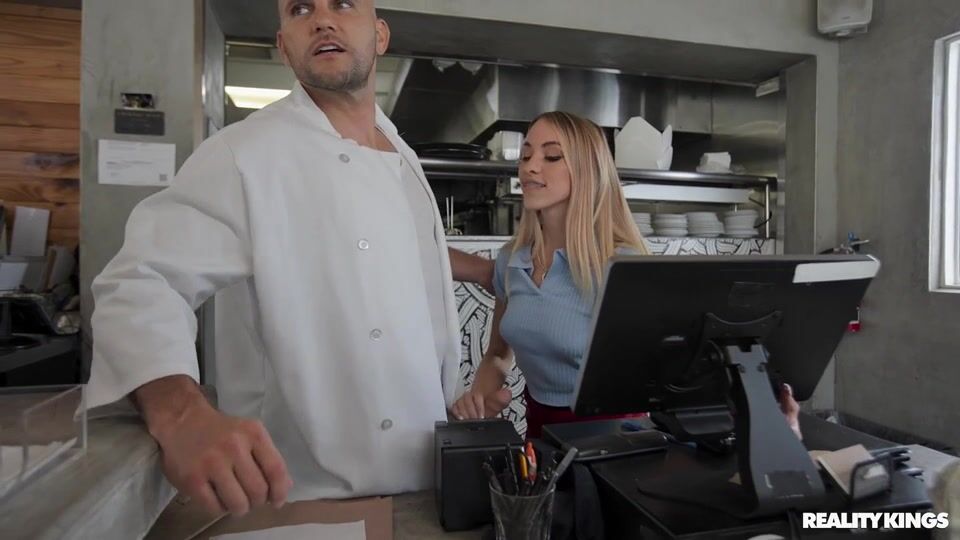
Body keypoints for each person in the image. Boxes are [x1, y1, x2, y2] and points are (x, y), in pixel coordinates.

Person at [86, 0, 493, 517]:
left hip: (426, 481)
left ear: (380, 35)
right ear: (283, 46)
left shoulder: (403, 155)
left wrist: (486, 274)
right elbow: (141, 281)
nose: (322, 19)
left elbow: (400, 260)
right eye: (300, 8)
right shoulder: (245, 153)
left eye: (342, 4)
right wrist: (181, 413)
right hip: (299, 495)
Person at [451, 111, 801, 439]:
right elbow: (497, 355)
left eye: (552, 156)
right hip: (540, 434)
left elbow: (679, 367)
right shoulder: (512, 261)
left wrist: (760, 413)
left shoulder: (620, 266)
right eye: (526, 155)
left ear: (587, 170)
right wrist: (479, 400)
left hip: (617, 441)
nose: (530, 167)